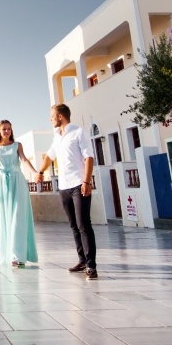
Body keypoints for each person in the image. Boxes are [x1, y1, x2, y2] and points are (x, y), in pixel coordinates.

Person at [38, 103, 98, 279]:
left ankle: (91, 265)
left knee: (83, 224)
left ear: (60, 116)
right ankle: (82, 260)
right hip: (63, 187)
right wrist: (40, 172)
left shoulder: (79, 132)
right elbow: (50, 156)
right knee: (74, 226)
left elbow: (89, 157)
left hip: (79, 185)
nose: (50, 120)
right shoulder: (57, 136)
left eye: (52, 117)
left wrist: (87, 182)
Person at [0, 120, 39, 267]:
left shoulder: (17, 145)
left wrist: (34, 173)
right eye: (4, 129)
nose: (7, 131)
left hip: (18, 182)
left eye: (9, 129)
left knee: (18, 217)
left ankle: (17, 256)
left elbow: (24, 159)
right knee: (7, 218)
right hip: (3, 185)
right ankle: (11, 254)